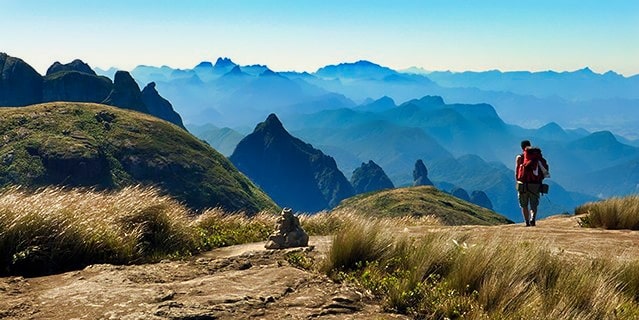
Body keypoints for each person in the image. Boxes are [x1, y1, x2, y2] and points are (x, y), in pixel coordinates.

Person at [515, 140, 549, 226]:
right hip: (535, 185)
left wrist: (518, 181)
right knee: (534, 205)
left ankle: (527, 222)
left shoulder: (519, 157)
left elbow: (517, 172)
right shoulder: (536, 158)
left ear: (522, 147)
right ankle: (532, 218)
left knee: (524, 205)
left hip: (523, 185)